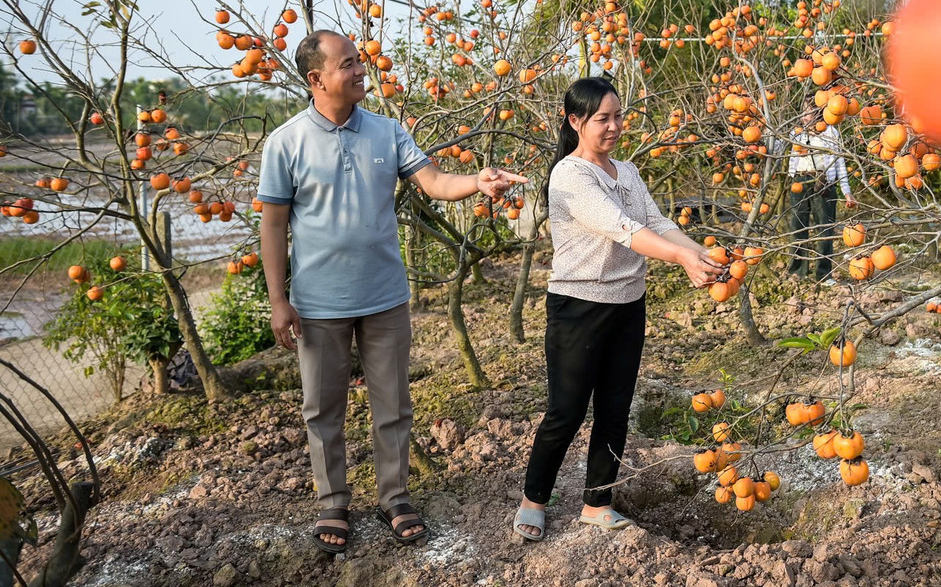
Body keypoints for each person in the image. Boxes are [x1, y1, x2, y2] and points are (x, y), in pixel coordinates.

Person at [257, 30, 524, 554]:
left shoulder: (386, 132)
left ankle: (394, 496)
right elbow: (272, 224)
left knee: (393, 404)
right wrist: (278, 299)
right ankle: (333, 501)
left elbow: (435, 181)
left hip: (384, 296)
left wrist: (478, 182)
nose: (362, 71)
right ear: (317, 79)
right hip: (319, 302)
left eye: (360, 62)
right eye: (349, 64)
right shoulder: (286, 142)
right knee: (322, 408)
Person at [513, 77, 723, 541]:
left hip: (629, 304)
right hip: (579, 307)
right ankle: (534, 499)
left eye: (618, 116)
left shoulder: (625, 171)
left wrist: (699, 253)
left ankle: (597, 502)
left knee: (615, 407)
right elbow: (623, 228)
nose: (613, 127)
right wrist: (682, 258)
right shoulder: (569, 176)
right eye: (602, 119)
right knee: (565, 411)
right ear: (575, 121)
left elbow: (655, 221)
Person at [786, 102, 855, 284]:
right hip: (799, 182)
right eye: (803, 112)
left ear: (818, 113)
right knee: (798, 226)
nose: (804, 116)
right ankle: (798, 270)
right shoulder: (797, 133)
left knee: (825, 228)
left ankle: (824, 275)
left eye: (808, 112)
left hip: (823, 182)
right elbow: (788, 158)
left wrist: (846, 192)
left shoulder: (830, 132)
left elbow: (839, 163)